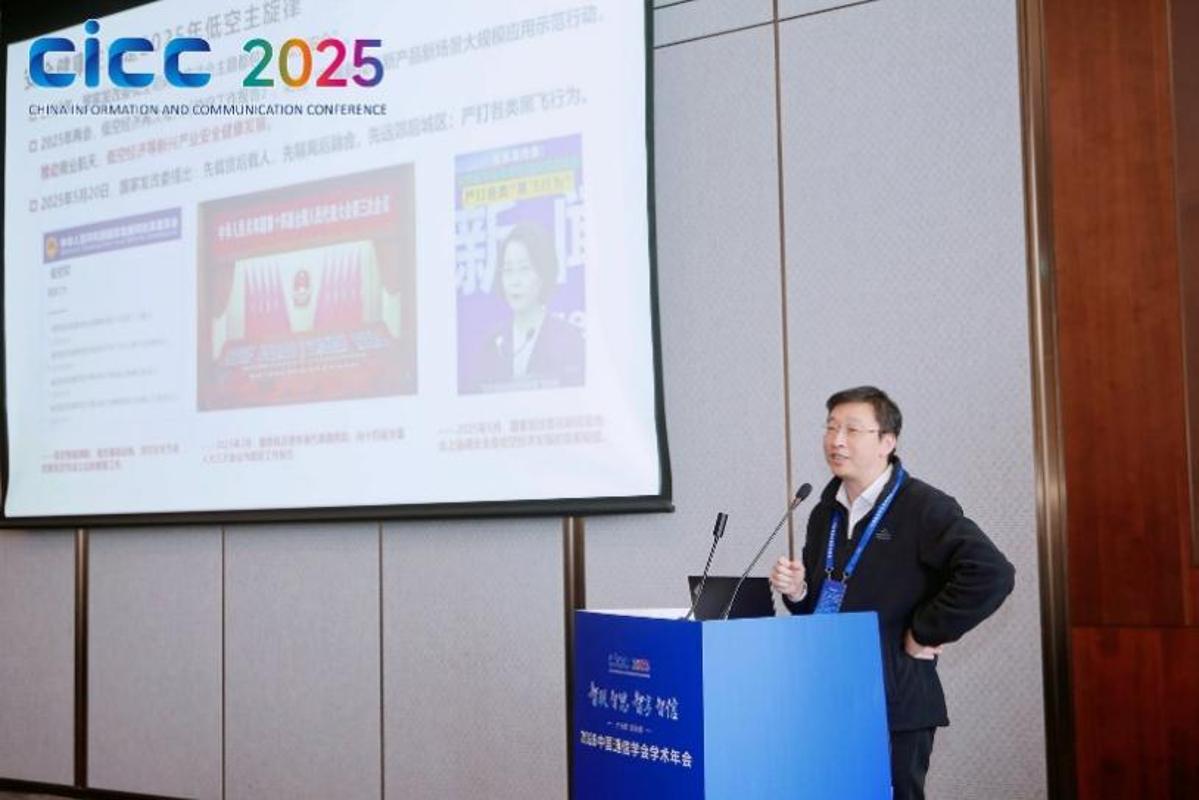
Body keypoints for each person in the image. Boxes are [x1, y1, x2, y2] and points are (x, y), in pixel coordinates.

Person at [769, 386, 1014, 800]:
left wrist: (926, 630)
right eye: (830, 428)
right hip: (828, 696)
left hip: (892, 701)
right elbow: (824, 604)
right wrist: (799, 591)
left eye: (852, 430)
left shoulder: (922, 506)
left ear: (887, 441)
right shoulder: (824, 513)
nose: (836, 440)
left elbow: (992, 573)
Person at [464, 222, 584, 392]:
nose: (515, 281)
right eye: (508, 270)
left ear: (543, 273)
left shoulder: (569, 340)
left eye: (524, 269)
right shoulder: (491, 344)